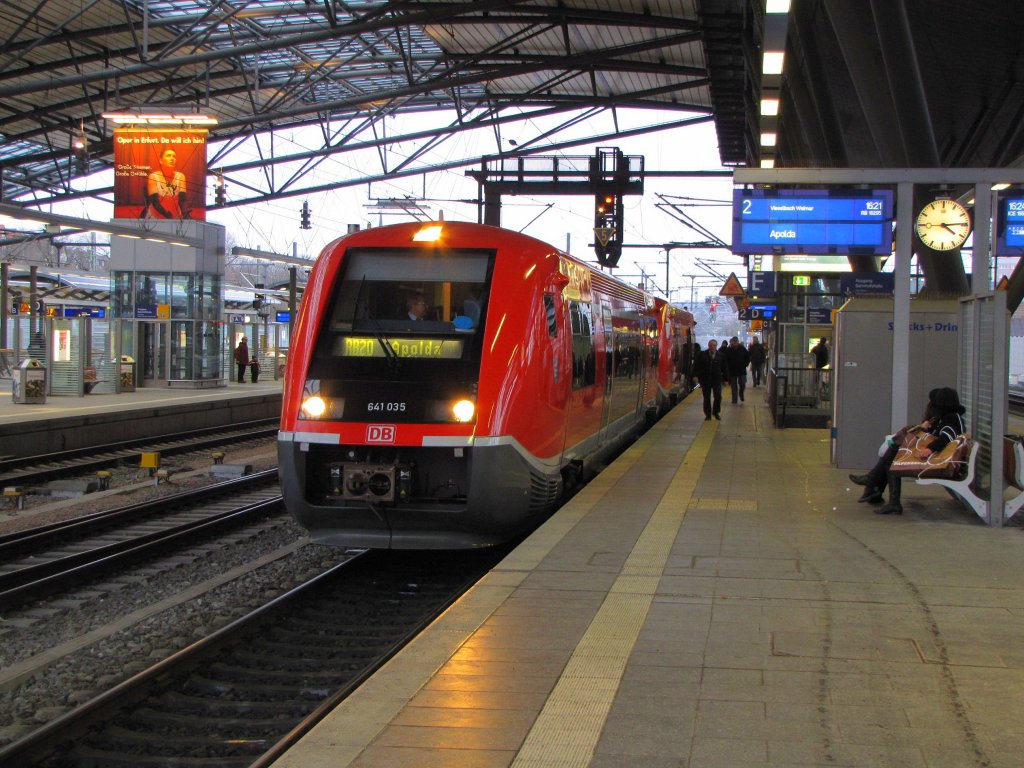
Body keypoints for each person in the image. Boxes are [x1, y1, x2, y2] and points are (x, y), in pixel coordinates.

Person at [849, 387, 966, 515]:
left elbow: (946, 437)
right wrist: (926, 428)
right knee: (894, 453)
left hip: (939, 462)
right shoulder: (948, 417)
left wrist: (929, 449)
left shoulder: (951, 418)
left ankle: (875, 484)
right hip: (938, 459)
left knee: (893, 456)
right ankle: (877, 487)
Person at [145, 147, 188, 219]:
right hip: (155, 216)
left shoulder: (181, 176)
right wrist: (167, 215)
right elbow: (155, 202)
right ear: (161, 160)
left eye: (174, 156)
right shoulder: (153, 177)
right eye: (168, 156)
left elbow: (182, 201)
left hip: (175, 216)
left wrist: (186, 215)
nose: (172, 158)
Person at [692, 339, 729, 420]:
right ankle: (708, 414)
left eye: (714, 345)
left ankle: (716, 412)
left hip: (717, 379)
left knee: (718, 396)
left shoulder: (721, 356)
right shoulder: (702, 355)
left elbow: (725, 368)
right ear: (708, 346)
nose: (712, 347)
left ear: (716, 346)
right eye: (711, 345)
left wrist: (726, 379)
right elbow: (696, 366)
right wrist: (695, 376)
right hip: (705, 379)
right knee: (706, 397)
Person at [725, 336, 750, 403]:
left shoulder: (742, 348)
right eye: (734, 341)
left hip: (741, 369)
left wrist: (745, 364)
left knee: (742, 383)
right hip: (732, 370)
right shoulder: (729, 350)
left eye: (736, 341)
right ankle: (734, 399)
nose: (735, 343)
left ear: (738, 342)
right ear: (732, 342)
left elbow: (748, 356)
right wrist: (728, 367)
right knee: (733, 386)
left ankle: (741, 393)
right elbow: (726, 360)